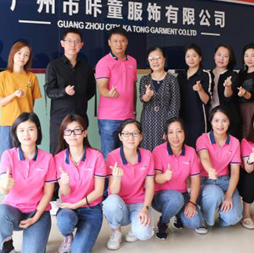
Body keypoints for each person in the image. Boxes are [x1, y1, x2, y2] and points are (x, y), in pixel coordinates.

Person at [0, 112, 56, 253]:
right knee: (0, 212)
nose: (26, 134)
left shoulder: (48, 158)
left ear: (38, 130)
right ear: (15, 133)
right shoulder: (8, 155)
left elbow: (48, 193)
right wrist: (4, 185)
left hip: (37, 211)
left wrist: (35, 217)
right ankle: (6, 245)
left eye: (31, 129)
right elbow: (3, 188)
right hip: (14, 211)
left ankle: (37, 235)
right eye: (21, 130)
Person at [53, 114, 105, 253]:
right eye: (68, 131)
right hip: (68, 208)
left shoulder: (96, 156)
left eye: (77, 130)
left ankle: (84, 231)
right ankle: (68, 236)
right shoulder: (58, 158)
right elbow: (65, 192)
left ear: (85, 133)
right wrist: (64, 183)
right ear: (63, 135)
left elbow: (99, 191)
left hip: (91, 209)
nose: (72, 135)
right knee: (65, 221)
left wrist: (76, 204)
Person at [103, 119, 155, 250]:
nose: (131, 138)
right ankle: (116, 231)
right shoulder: (112, 157)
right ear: (120, 137)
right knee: (110, 202)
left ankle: (135, 229)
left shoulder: (147, 155)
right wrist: (117, 178)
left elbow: (150, 186)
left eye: (135, 133)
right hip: (120, 205)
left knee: (144, 234)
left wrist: (145, 208)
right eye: (126, 134)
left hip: (139, 204)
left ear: (141, 136)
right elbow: (113, 192)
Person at [152, 118, 205, 240]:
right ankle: (163, 222)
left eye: (179, 131)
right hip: (160, 197)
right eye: (171, 132)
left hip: (183, 195)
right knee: (176, 199)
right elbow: (155, 178)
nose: (175, 136)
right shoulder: (158, 151)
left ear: (184, 133)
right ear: (166, 135)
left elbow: (195, 180)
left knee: (195, 222)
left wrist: (191, 202)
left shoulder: (191, 152)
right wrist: (164, 177)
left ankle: (178, 214)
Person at [45, 29, 96, 154]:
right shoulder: (54, 66)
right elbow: (49, 91)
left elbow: (91, 90)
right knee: (57, 152)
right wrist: (64, 92)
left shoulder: (86, 67)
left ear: (81, 45)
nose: (73, 45)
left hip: (80, 117)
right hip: (60, 118)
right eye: (69, 41)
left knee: (79, 153)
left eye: (77, 42)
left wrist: (80, 99)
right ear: (62, 43)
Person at [0, 41, 41, 159]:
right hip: (7, 124)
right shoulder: (3, 76)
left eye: (26, 55)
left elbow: (31, 103)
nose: (22, 57)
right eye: (19, 53)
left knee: (26, 159)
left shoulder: (32, 77)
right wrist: (14, 95)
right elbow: (0, 102)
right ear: (12, 54)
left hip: (26, 125)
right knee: (6, 160)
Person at [196, 106, 242, 231]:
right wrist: (210, 170)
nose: (220, 125)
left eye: (224, 120)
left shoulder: (235, 142)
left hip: (225, 181)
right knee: (214, 194)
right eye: (216, 120)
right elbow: (204, 158)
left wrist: (228, 196)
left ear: (229, 122)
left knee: (233, 218)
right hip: (205, 180)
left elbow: (235, 172)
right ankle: (204, 219)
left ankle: (221, 211)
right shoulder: (202, 139)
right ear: (211, 122)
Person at [95, 28, 137, 158]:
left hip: (128, 117)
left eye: (122, 41)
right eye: (115, 41)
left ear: (127, 42)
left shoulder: (133, 61)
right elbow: (102, 87)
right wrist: (109, 93)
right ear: (109, 42)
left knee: (127, 157)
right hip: (109, 119)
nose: (119, 44)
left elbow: (133, 87)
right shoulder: (103, 62)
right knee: (109, 157)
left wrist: (134, 110)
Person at [139, 47, 180, 151]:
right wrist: (147, 95)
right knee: (147, 150)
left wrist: (169, 128)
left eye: (158, 58)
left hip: (165, 121)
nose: (155, 61)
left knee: (164, 151)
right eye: (151, 59)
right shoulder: (145, 79)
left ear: (164, 59)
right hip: (147, 121)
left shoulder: (172, 80)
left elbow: (175, 106)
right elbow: (142, 99)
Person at [177, 44, 212, 148]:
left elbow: (206, 100)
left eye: (194, 56)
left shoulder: (205, 75)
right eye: (188, 56)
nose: (191, 59)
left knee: (199, 148)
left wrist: (200, 90)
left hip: (198, 120)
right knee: (183, 149)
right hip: (182, 119)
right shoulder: (180, 76)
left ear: (200, 57)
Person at [208, 44, 241, 139]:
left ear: (229, 59)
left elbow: (228, 96)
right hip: (211, 118)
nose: (221, 58)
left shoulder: (233, 75)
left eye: (225, 56)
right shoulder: (207, 74)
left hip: (230, 119)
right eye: (219, 55)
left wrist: (227, 86)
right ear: (214, 56)